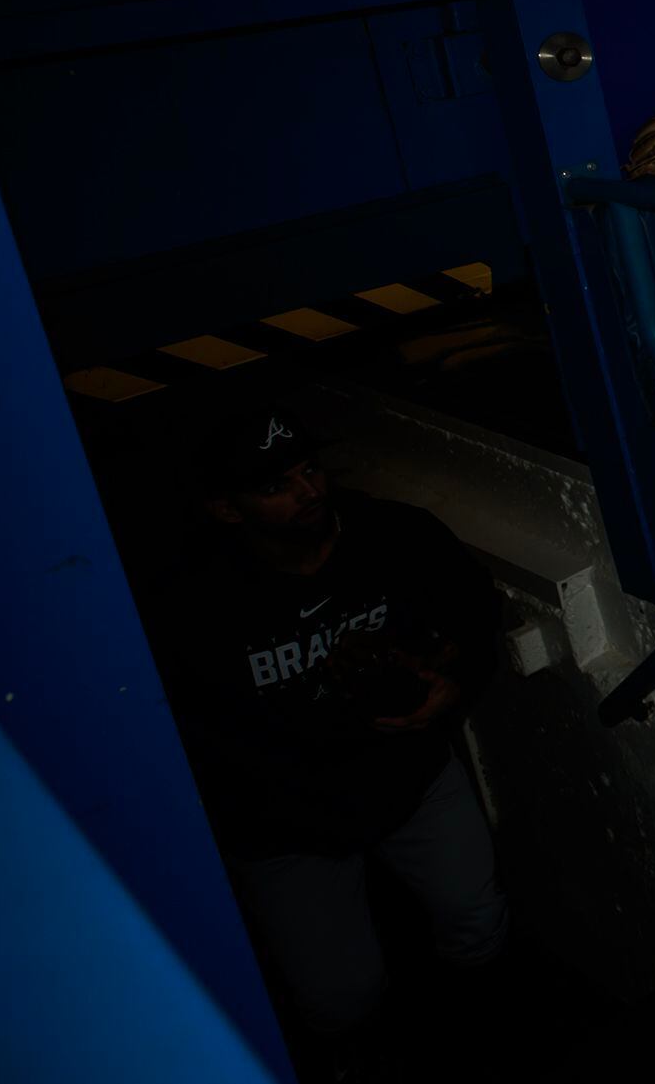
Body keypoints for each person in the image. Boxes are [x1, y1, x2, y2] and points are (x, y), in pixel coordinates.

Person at [159, 405, 509, 1042]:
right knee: (342, 999)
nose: (308, 492)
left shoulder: (395, 535)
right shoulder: (189, 598)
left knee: (476, 921)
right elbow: (184, 730)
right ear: (225, 508)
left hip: (407, 776)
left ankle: (480, 1038)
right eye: (275, 486)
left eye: (310, 469)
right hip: (282, 823)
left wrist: (449, 684)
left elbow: (476, 615)